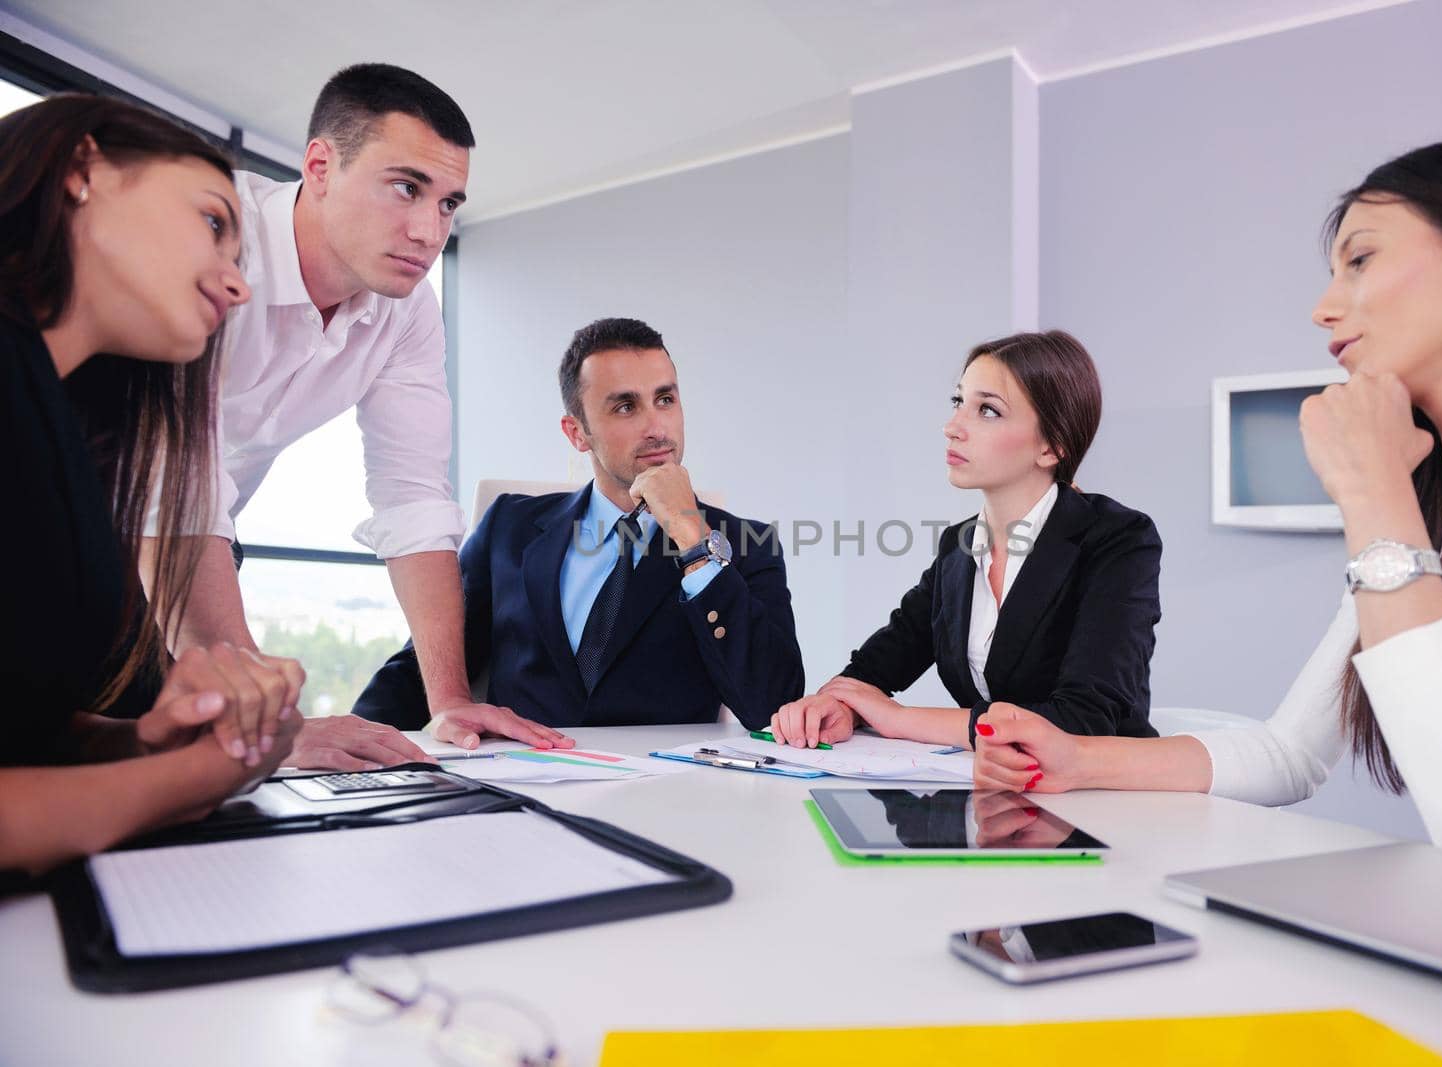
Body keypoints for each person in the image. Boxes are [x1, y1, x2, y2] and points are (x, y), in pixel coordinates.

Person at [974, 133, 1442, 871]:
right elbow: (1290, 751)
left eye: (1360, 260)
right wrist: (1076, 757)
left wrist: (1372, 493)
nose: (1323, 309)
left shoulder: (1402, 504)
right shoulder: (1426, 505)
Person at [144, 63, 490, 772]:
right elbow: (168, 474)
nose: (430, 232)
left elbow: (415, 497)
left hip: (198, 538)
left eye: (449, 203)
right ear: (320, 165)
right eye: (406, 187)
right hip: (83, 514)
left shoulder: (409, 313)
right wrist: (276, 725)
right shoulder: (211, 235)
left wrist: (449, 701)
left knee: (191, 773)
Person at [1, 95, 305, 876]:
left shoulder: (65, 437)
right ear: (82, 170)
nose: (237, 288)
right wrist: (188, 777)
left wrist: (149, 736)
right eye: (213, 223)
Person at [351, 317, 805, 744]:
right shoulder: (511, 525)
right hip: (520, 783)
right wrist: (350, 743)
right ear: (577, 433)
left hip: (667, 799)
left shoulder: (746, 543)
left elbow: (771, 704)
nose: (656, 427)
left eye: (665, 400)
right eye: (625, 407)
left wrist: (694, 542)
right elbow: (428, 663)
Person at [769, 330, 1162, 765]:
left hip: (1108, 803)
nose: (952, 428)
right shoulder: (959, 548)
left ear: (1052, 446)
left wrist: (899, 719)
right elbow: (874, 669)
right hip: (998, 798)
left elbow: (1080, 721)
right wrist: (837, 707)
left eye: (988, 410)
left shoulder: (1118, 539)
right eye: (959, 403)